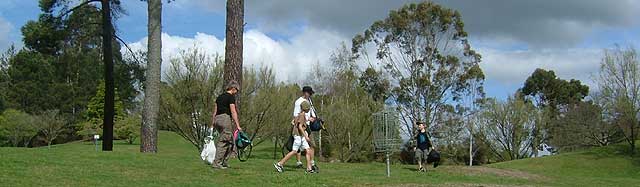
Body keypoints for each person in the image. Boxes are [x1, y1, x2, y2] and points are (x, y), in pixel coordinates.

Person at [275, 101, 316, 173]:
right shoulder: (302, 115)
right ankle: (280, 164)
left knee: (308, 150)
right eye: (308, 108)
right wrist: (306, 136)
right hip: (298, 136)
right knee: (294, 151)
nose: (309, 109)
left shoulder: (300, 115)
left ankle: (309, 169)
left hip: (301, 136)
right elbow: (300, 126)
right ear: (306, 108)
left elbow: (293, 122)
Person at [211, 80, 242, 169]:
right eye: (237, 90)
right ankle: (217, 163)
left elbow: (215, 112)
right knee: (224, 141)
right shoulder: (230, 97)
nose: (237, 92)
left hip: (217, 119)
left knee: (230, 141)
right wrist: (238, 125)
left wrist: (212, 124)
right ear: (233, 88)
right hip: (225, 119)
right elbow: (233, 111)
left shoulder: (219, 97)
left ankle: (223, 161)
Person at [291, 86, 318, 170]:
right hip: (301, 126)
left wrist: (313, 118)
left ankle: (312, 164)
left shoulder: (309, 101)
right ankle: (299, 162)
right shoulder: (298, 102)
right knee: (298, 147)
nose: (310, 95)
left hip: (308, 126)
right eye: (309, 93)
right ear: (305, 92)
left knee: (311, 145)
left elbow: (311, 113)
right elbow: (296, 115)